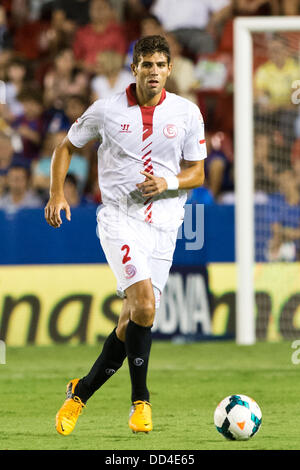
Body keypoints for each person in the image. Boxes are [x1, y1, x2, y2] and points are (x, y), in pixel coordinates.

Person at [44, 34, 206, 436]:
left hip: (167, 225)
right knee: (146, 307)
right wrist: (56, 193)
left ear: (170, 69)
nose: (153, 72)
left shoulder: (187, 113)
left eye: (160, 65)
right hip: (120, 218)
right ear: (133, 68)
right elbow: (65, 146)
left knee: (131, 321)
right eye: (146, 64)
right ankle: (141, 403)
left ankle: (79, 392)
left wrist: (168, 182)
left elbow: (198, 173)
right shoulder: (106, 110)